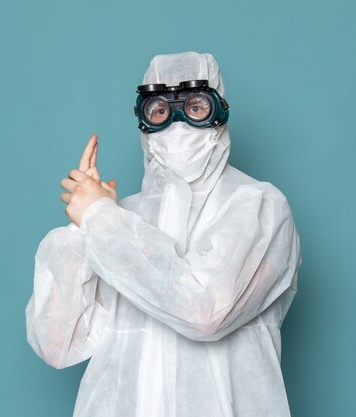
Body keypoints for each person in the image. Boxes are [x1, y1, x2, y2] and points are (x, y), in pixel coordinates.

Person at [25, 51, 302, 417]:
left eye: (195, 106)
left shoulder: (259, 207)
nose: (176, 122)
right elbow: (57, 345)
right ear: (143, 121)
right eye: (158, 110)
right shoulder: (118, 220)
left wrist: (101, 220)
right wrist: (81, 230)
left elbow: (207, 312)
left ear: (220, 111)